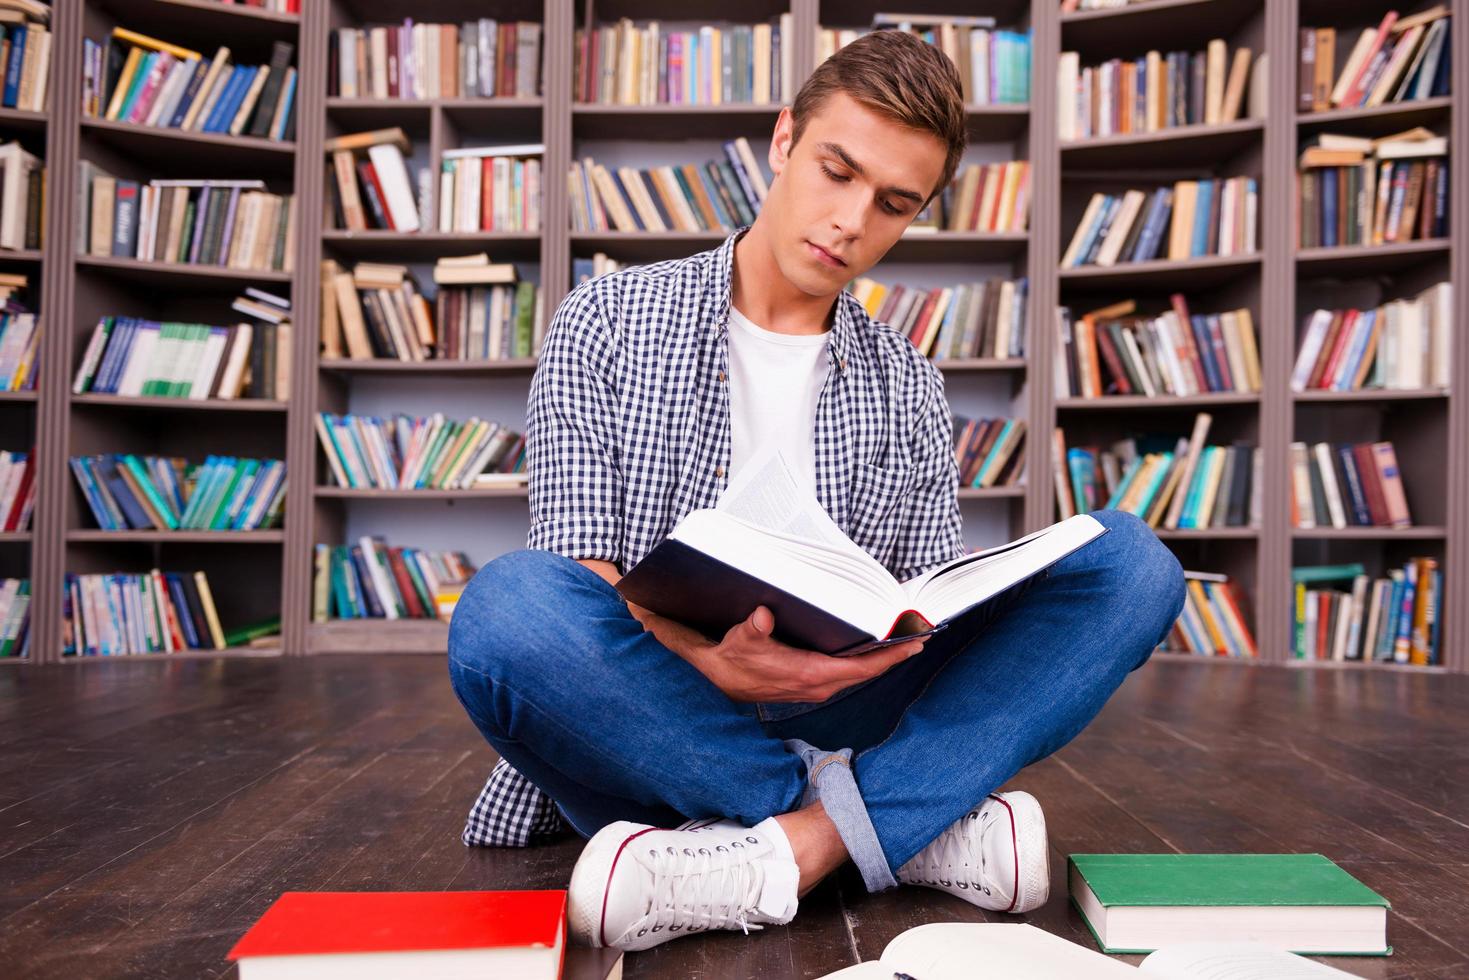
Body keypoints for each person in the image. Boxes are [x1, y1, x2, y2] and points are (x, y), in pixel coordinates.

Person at [447, 28, 1186, 953]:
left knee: (1130, 564)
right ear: (784, 139)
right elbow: (579, 581)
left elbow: (922, 616)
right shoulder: (606, 321)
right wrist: (707, 657)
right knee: (506, 611)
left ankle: (775, 851)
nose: (850, 221)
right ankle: (894, 830)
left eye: (891, 203)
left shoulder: (907, 381)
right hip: (650, 713)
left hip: (842, 708)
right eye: (836, 171)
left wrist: (891, 632)